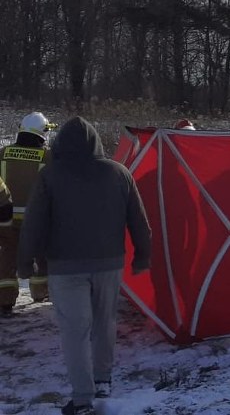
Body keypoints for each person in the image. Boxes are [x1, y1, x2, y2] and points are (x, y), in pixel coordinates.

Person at [17, 116, 152, 415]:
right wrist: (143, 255)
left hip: (65, 267)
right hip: (109, 264)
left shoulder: (50, 176)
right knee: (105, 322)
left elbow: (34, 223)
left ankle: (82, 399)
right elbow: (139, 220)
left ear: (60, 144)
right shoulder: (119, 173)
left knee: (75, 330)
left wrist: (26, 263)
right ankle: (103, 379)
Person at [0, 111, 54, 316]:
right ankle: (40, 292)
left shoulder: (3, 153)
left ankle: (5, 299)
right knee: (41, 255)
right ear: (42, 134)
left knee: (7, 255)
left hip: (6, 218)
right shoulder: (48, 157)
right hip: (36, 220)